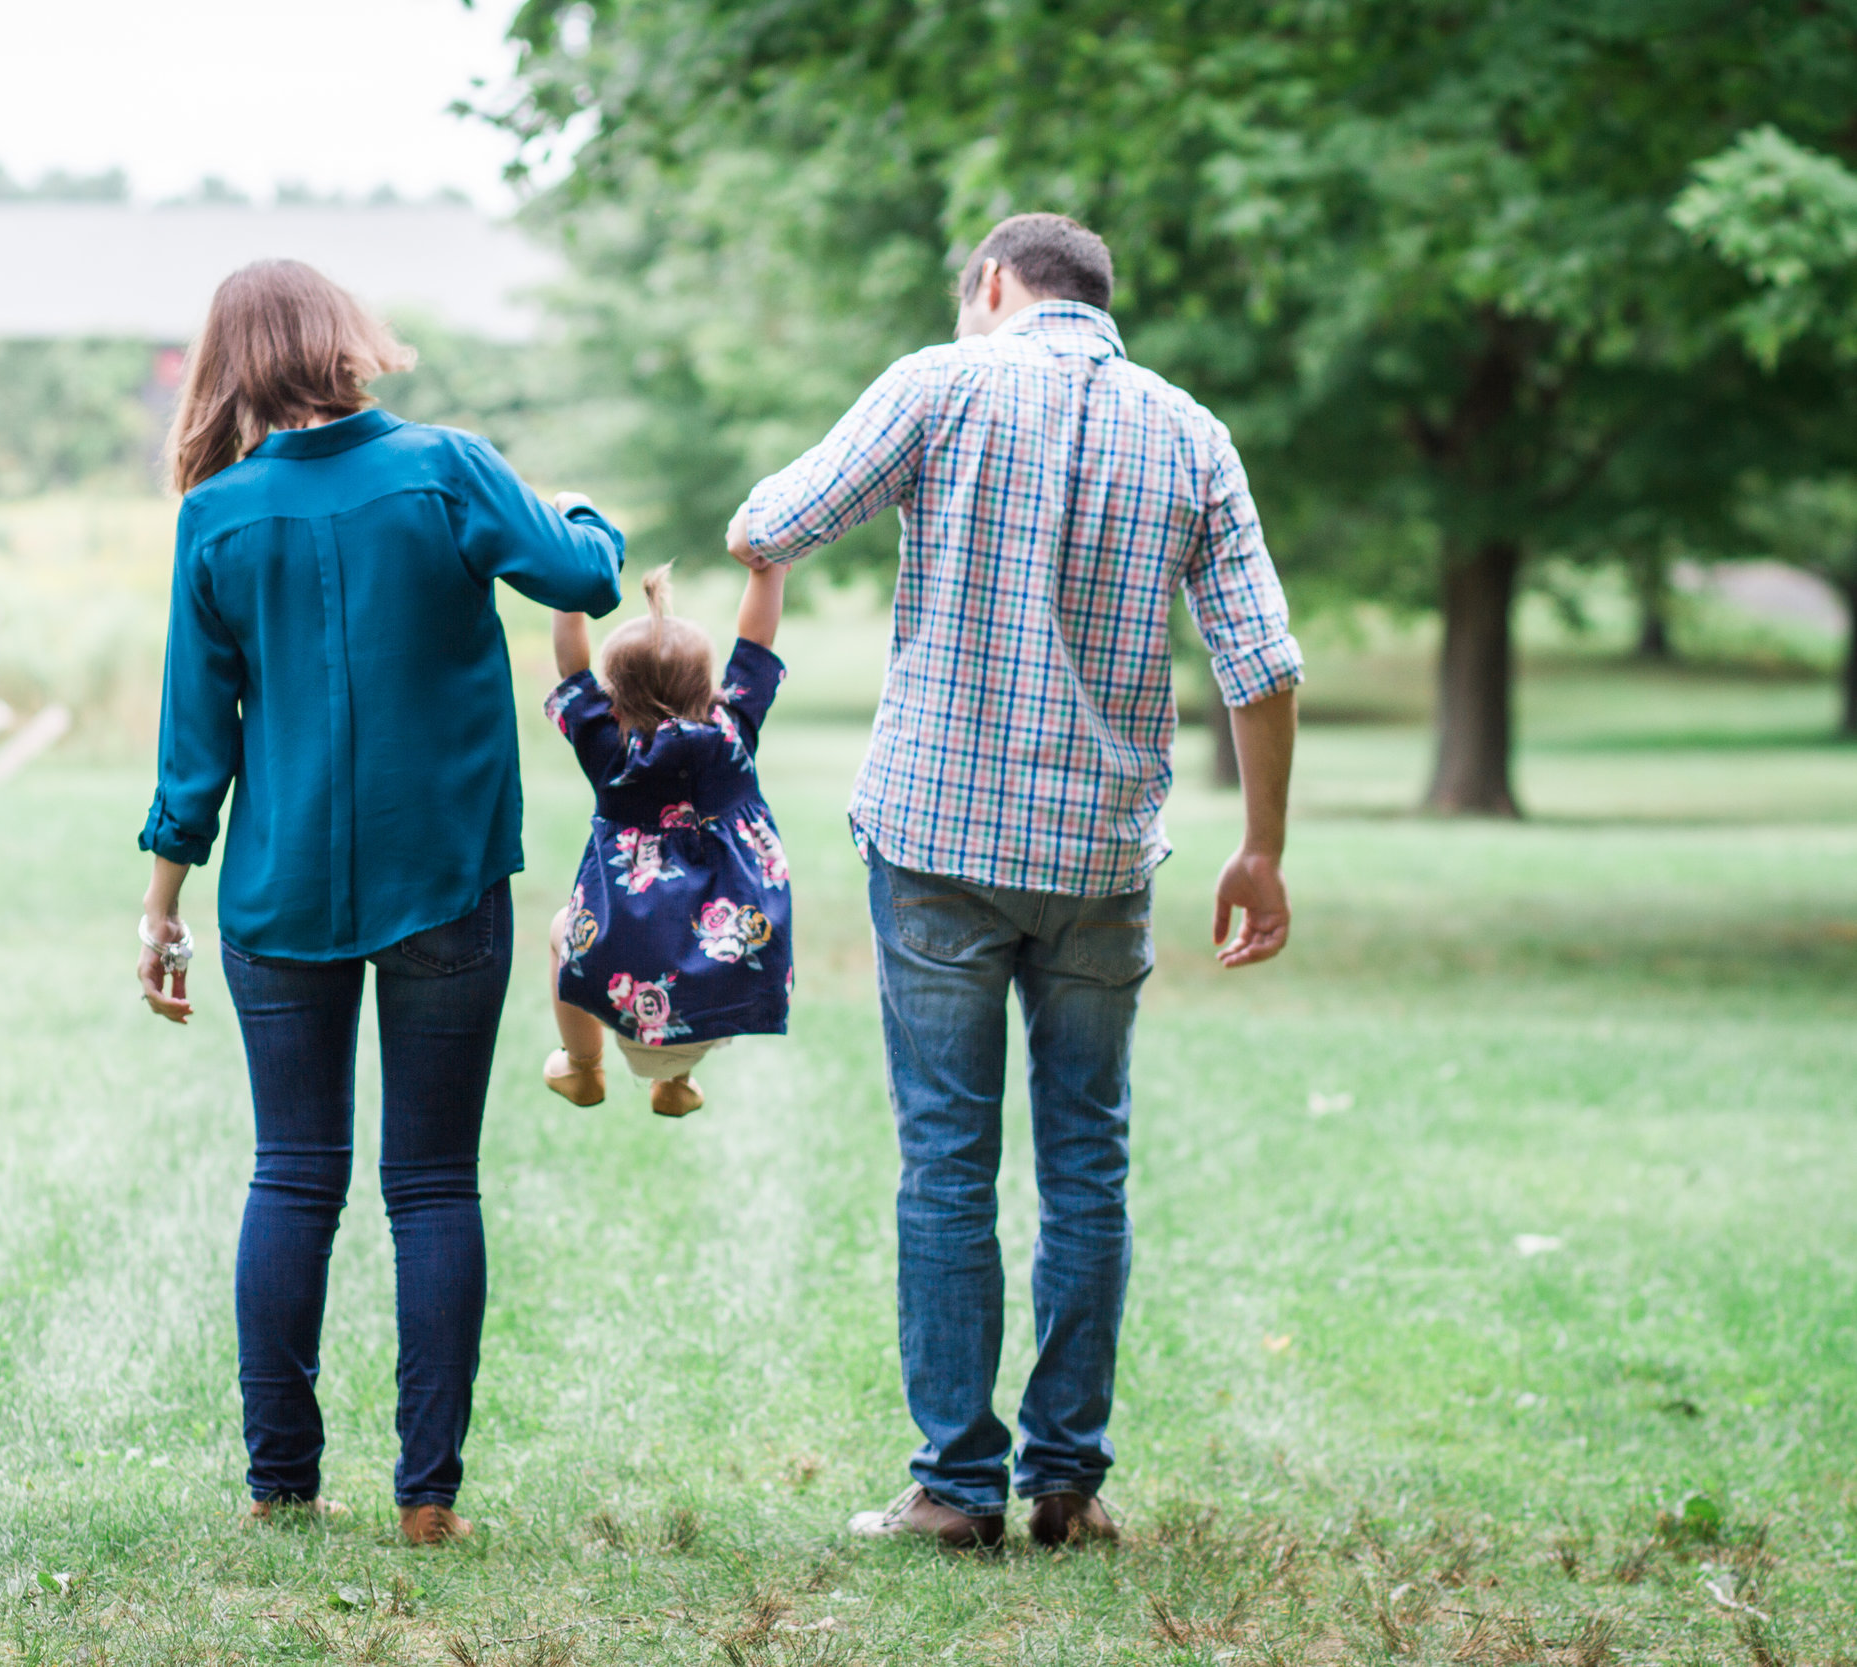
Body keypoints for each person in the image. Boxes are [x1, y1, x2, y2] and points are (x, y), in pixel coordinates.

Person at [724, 213, 1303, 1549]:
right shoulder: (1192, 433)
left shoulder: (942, 381)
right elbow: (1261, 664)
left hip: (940, 842)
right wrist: (1262, 845)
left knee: (947, 1159)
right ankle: (1066, 1483)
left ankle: (953, 1486)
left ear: (991, 284)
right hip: (1101, 855)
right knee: (1087, 1160)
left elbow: (770, 523)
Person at [134, 259, 624, 1546]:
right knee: (431, 1183)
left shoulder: (215, 516)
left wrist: (159, 906)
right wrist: (591, 518)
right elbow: (581, 580)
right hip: (445, 879)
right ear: (346, 343)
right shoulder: (447, 467)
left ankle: (278, 1482)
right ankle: (426, 1497)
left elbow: (197, 745)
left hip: (276, 890)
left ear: (233, 362)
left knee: (291, 1175)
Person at [538, 562, 794, 1118]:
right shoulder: (733, 734)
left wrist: (567, 579)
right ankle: (675, 1083)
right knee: (684, 937)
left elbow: (569, 666)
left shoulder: (610, 754)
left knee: (565, 930)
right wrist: (767, 568)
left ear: (613, 699)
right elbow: (757, 643)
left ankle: (582, 1067)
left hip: (623, 977)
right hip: (728, 974)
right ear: (710, 688)